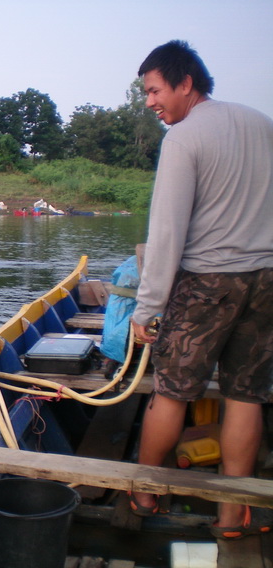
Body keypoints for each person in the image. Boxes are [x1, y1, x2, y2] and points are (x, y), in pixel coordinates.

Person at [129, 40, 273, 538]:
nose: (150, 103)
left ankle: (145, 491)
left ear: (185, 82)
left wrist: (146, 308)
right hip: (266, 280)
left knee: (170, 392)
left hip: (207, 283)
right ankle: (233, 515)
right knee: (246, 395)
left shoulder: (185, 138)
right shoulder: (262, 123)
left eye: (154, 90)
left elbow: (167, 232)